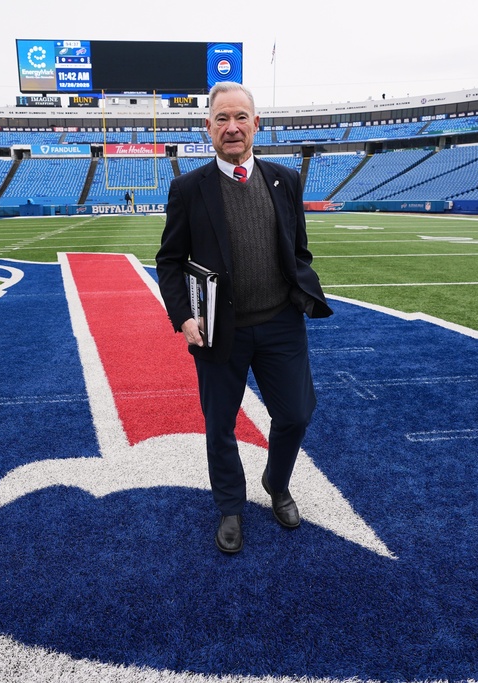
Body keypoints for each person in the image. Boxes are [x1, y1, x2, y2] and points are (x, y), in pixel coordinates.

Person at [155, 82, 333, 554]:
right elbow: (169, 261)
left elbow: (299, 249)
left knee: (296, 413)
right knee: (221, 423)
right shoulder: (188, 188)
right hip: (218, 328)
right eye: (221, 119)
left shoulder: (285, 180)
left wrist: (302, 286)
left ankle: (277, 483)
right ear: (207, 128)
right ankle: (231, 505)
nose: (231, 128)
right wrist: (183, 317)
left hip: (280, 323)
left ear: (257, 123)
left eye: (240, 118)